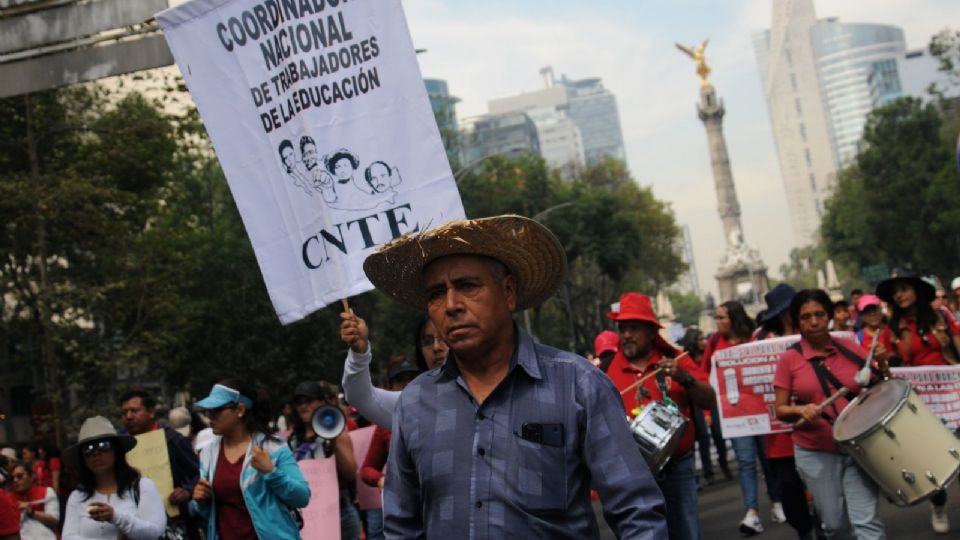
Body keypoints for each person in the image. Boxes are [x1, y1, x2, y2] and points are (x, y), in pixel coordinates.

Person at [363, 215, 667, 538]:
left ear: (508, 292)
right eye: (436, 293)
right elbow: (401, 527)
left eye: (467, 285)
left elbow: (637, 512)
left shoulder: (578, 385)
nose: (451, 305)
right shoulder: (414, 403)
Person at [774, 290, 885, 540]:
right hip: (816, 452)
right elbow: (780, 409)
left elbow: (880, 386)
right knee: (834, 526)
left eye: (819, 315)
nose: (813, 322)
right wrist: (801, 409)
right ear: (797, 322)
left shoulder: (849, 348)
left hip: (858, 446)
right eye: (805, 317)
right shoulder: (789, 359)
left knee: (867, 523)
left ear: (829, 317)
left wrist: (883, 363)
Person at [603, 291, 713, 540]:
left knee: (686, 532)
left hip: (678, 468)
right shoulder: (606, 370)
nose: (626, 335)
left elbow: (710, 400)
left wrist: (685, 378)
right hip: (631, 476)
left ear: (652, 332)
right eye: (622, 328)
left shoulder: (676, 360)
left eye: (634, 328)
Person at [876, 271, 958, 532]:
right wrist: (882, 357)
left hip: (953, 395)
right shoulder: (891, 329)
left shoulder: (942, 316)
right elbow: (886, 368)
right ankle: (939, 505)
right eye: (895, 292)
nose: (899, 295)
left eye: (903, 289)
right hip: (919, 403)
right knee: (933, 459)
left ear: (918, 292)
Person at [191, 380, 309, 540]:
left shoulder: (273, 448)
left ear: (240, 410)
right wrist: (201, 501)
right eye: (207, 411)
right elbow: (210, 514)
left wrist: (271, 473)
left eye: (216, 410)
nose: (209, 417)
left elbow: (302, 497)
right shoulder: (207, 453)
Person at [705, 301, 782, 534]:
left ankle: (778, 501)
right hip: (735, 414)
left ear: (734, 318)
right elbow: (703, 373)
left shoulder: (754, 338)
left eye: (721, 318)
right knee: (746, 461)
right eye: (716, 318)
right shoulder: (714, 342)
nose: (717, 322)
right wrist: (709, 410)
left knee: (768, 458)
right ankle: (752, 511)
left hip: (760, 410)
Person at [757, 284, 816, 540]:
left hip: (814, 424)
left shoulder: (814, 334)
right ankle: (804, 529)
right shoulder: (760, 341)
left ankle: (824, 528)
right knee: (789, 488)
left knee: (821, 484)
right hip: (779, 432)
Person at [61, 416, 166, 540]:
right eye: (87, 449)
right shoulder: (77, 497)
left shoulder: (142, 486)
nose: (96, 453)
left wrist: (116, 517)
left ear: (116, 450)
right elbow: (68, 537)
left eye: (103, 445)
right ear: (83, 459)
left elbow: (155, 532)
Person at [341, 316, 449, 430]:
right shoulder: (411, 403)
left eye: (444, 338)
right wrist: (359, 354)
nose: (436, 347)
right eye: (427, 341)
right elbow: (360, 397)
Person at [286, 381, 359, 540]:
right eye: (299, 402)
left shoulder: (338, 433)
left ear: (322, 402)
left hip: (339, 512)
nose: (303, 406)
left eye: (309, 401)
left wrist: (333, 441)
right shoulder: (291, 440)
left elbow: (350, 473)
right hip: (307, 514)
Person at [359, 358, 422, 540]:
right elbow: (367, 470)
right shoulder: (386, 425)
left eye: (413, 378)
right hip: (406, 509)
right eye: (401, 380)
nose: (408, 385)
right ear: (390, 387)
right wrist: (382, 480)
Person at [119, 388, 200, 528]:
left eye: (134, 410)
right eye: (124, 413)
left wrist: (186, 491)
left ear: (151, 412)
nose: (129, 416)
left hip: (176, 523)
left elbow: (199, 474)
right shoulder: (120, 445)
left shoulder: (173, 439)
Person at [678, 328, 731, 487]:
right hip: (697, 402)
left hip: (711, 397)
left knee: (718, 434)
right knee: (701, 437)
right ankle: (707, 472)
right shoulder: (686, 359)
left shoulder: (707, 355)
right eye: (700, 339)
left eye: (704, 339)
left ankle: (724, 463)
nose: (703, 342)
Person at [7, 461, 58, 539]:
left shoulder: (47, 492)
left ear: (31, 477)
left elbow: (54, 521)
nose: (15, 480)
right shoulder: (7, 498)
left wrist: (31, 512)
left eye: (19, 476)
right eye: (12, 478)